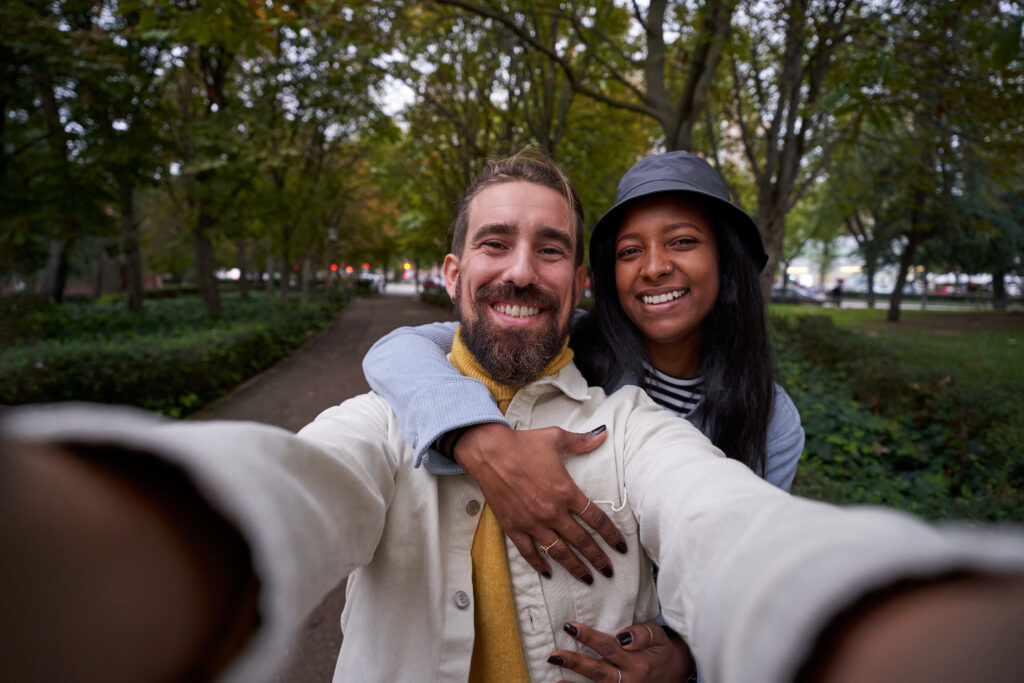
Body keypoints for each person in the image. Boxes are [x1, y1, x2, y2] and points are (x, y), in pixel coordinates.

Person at [3, 150, 1024, 683]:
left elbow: (732, 527)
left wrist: (865, 621)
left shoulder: (636, 421)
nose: (519, 271)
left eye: (549, 249)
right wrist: (109, 539)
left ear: (571, 282)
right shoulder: (392, 408)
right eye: (493, 243)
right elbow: (299, 477)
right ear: (452, 272)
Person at [362, 151, 803, 676]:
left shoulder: (771, 419)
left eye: (682, 241)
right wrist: (480, 440)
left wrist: (684, 656)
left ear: (726, 260)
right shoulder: (571, 349)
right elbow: (401, 350)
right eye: (630, 250)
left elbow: (746, 577)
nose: (655, 266)